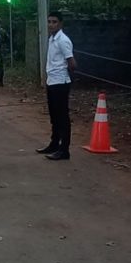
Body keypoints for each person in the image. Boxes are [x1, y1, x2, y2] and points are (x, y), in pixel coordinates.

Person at [36, 11, 77, 161]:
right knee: (54, 116)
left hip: (60, 82)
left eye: (54, 22)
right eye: (49, 22)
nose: (51, 25)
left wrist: (63, 73)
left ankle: (64, 150)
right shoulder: (52, 39)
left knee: (62, 117)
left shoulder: (63, 40)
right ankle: (54, 144)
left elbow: (72, 63)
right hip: (52, 81)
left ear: (60, 23)